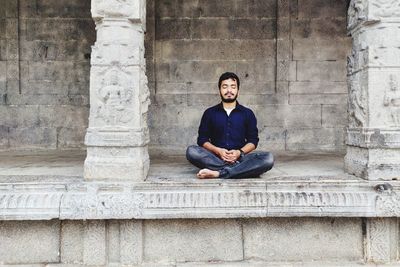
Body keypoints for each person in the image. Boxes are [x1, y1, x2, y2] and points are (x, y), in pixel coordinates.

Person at [186, 72, 274, 179]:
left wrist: (239, 152)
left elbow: (253, 141)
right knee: (192, 151)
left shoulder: (247, 113)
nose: (229, 90)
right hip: (216, 157)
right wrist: (218, 151)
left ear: (238, 90)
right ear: (220, 90)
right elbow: (202, 139)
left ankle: (219, 173)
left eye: (233, 87)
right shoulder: (209, 113)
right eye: (225, 87)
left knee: (268, 158)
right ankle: (240, 169)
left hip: (240, 158)